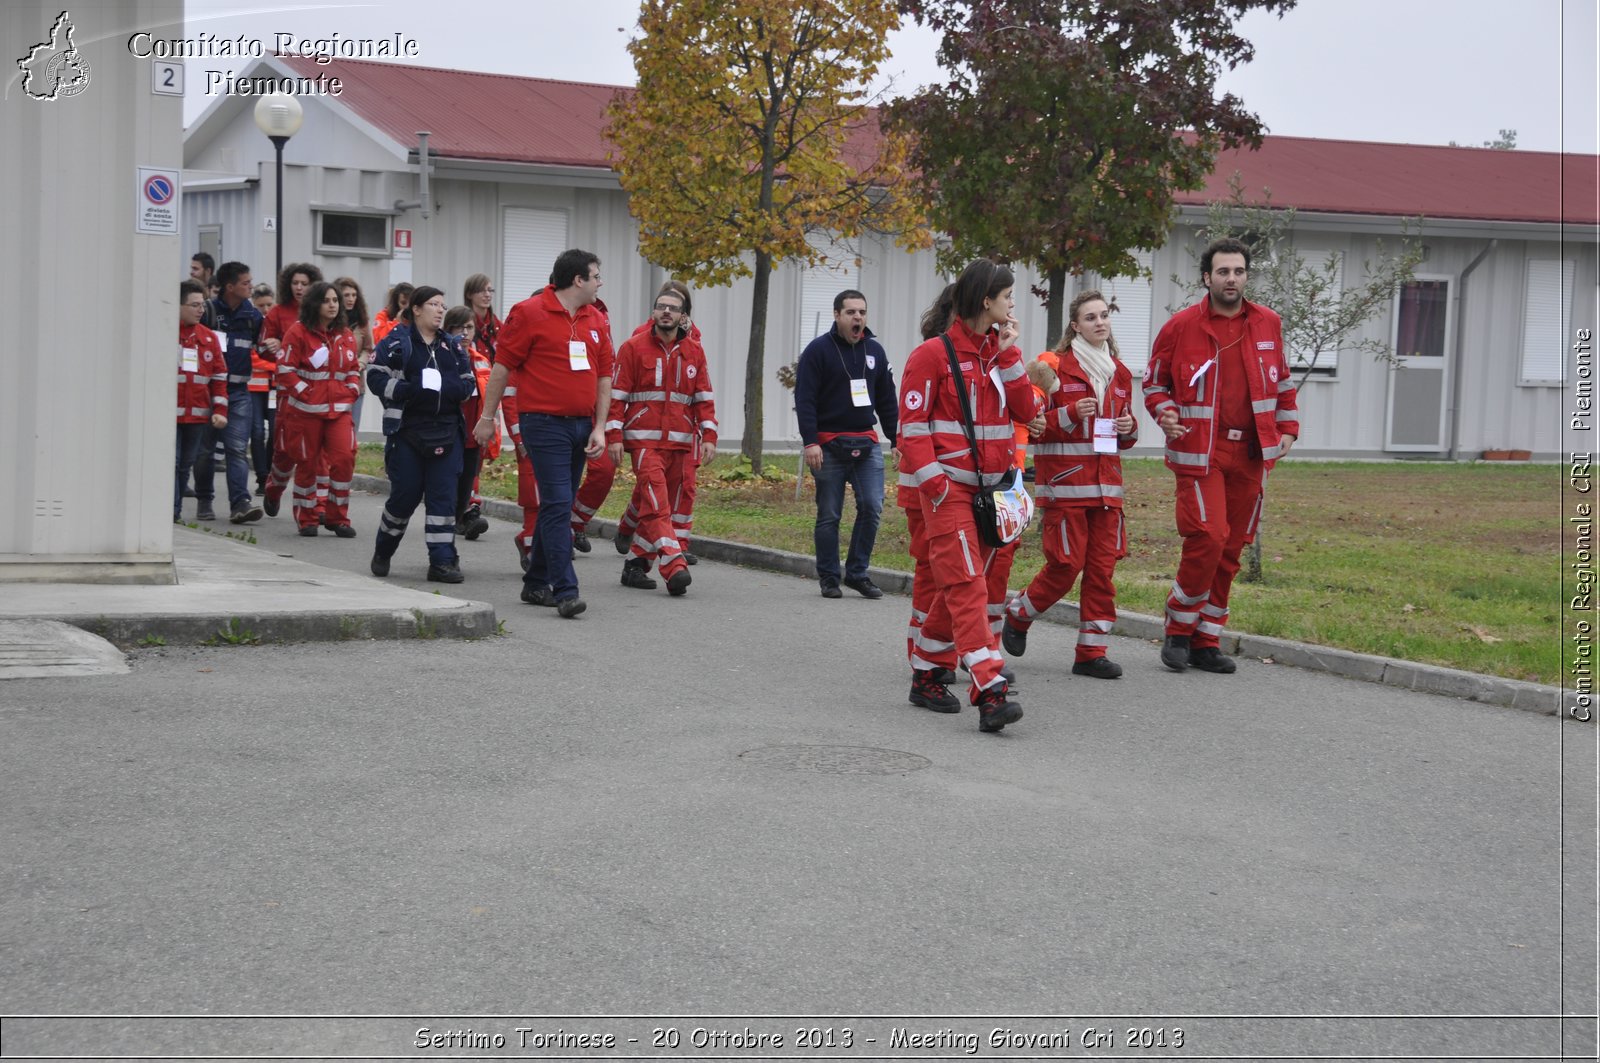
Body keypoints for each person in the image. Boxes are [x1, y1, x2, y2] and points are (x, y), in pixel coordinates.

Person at [1144, 237, 1301, 674]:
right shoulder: (1180, 327)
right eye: (1223, 272)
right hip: (1200, 451)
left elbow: (1283, 382)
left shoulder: (1268, 322)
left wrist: (1288, 428)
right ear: (1206, 278)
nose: (1231, 279)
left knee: (1232, 547)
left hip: (1251, 454)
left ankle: (1206, 639)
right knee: (1208, 537)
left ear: (1246, 276)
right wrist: (1166, 413)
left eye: (1238, 271)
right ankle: (1177, 628)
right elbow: (1154, 384)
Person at [897, 260, 1036, 733]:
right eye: (1008, 297)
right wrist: (936, 484)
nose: (1013, 304)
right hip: (948, 492)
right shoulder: (931, 356)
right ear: (986, 301)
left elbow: (1027, 409)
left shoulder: (1001, 355)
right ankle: (989, 689)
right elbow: (911, 430)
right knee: (968, 585)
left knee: (959, 584)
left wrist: (1013, 358)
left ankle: (928, 672)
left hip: (991, 494)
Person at [1002, 290, 1138, 679]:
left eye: (1103, 316)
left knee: (1102, 570)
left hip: (1107, 490)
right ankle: (1019, 613)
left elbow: (1121, 434)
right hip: (1065, 487)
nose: (1100, 322)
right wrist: (1068, 413)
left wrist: (1130, 428)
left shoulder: (1121, 373)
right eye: (1090, 317)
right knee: (1064, 566)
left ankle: (1091, 652)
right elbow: (1031, 427)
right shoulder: (1052, 367)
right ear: (1075, 326)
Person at [475, 250, 613, 619]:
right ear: (578, 280)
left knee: (560, 505)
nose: (601, 282)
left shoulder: (596, 319)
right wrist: (487, 417)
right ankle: (565, 589)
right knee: (555, 503)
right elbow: (502, 368)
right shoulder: (529, 312)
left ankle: (535, 582)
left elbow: (603, 376)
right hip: (543, 424)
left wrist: (600, 426)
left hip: (582, 425)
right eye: (596, 276)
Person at [604, 283, 716, 596]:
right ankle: (672, 563)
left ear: (683, 317)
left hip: (681, 442)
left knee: (670, 501)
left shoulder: (695, 351)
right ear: (653, 312)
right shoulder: (633, 347)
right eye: (661, 306)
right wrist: (614, 436)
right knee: (655, 502)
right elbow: (617, 398)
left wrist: (709, 435)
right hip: (643, 441)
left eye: (673, 308)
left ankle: (636, 564)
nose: (666, 311)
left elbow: (703, 398)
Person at [367, 286, 476, 582]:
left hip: (447, 432)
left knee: (443, 499)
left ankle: (441, 563)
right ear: (416, 309)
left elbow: (468, 384)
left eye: (443, 305)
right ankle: (384, 549)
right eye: (433, 304)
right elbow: (374, 376)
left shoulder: (453, 347)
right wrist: (409, 390)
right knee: (405, 497)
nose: (441, 310)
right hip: (407, 432)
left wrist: (444, 387)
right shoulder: (396, 343)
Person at [794, 289, 898, 599]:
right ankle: (829, 577)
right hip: (827, 446)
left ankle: (857, 573)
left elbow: (887, 401)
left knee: (872, 506)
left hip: (866, 442)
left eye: (862, 312)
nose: (858, 318)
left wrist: (896, 439)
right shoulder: (818, 351)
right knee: (830, 514)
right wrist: (810, 442)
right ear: (837, 315)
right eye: (851, 312)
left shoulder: (875, 352)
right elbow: (805, 399)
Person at [272, 281, 361, 538]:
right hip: (306, 412)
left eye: (335, 300)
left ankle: (337, 518)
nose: (333, 305)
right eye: (327, 300)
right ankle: (307, 518)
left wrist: (352, 389)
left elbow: (353, 368)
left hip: (339, 411)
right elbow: (285, 369)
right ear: (315, 304)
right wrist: (305, 393)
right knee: (308, 464)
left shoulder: (344, 334)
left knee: (344, 459)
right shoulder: (297, 332)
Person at [193, 261, 264, 524]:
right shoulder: (209, 311)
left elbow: (260, 348)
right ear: (230, 286)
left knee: (236, 448)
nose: (251, 287)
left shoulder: (253, 315)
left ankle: (240, 504)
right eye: (246, 283)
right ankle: (204, 499)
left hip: (239, 392)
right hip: (207, 391)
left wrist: (270, 345)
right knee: (204, 450)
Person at [260, 263, 324, 519]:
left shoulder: (322, 315)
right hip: (287, 394)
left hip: (316, 396)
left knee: (318, 451)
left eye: (304, 284)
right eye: (295, 283)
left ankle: (317, 507)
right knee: (286, 450)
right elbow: (261, 349)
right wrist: (271, 345)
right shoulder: (277, 313)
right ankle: (274, 488)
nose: (299, 288)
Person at [175, 281, 228, 522]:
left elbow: (218, 378)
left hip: (197, 416)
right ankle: (171, 513)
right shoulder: (166, 334)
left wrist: (219, 410)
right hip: (170, 415)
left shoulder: (208, 338)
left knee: (185, 464)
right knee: (172, 463)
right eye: (194, 305)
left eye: (202, 306)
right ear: (178, 306)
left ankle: (172, 511)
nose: (200, 310)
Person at [444, 305, 496, 539]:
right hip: (448, 433)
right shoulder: (442, 357)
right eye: (459, 327)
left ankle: (462, 517)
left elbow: (490, 397)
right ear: (448, 329)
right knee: (448, 479)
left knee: (468, 480)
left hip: (473, 435)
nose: (464, 333)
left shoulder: (482, 361)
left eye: (469, 327)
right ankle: (447, 524)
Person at [248, 283, 277, 494]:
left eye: (268, 304)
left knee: (276, 432)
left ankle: (270, 475)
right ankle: (261, 477)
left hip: (275, 387)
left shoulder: (278, 323)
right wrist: (275, 365)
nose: (265, 310)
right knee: (257, 432)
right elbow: (252, 358)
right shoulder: (251, 323)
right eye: (260, 306)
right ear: (253, 305)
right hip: (255, 387)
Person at [335, 277, 373, 436]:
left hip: (357, 381)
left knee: (352, 428)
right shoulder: (331, 321)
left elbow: (368, 348)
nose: (351, 299)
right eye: (346, 295)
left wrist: (361, 363)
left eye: (354, 295)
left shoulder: (362, 322)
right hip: (335, 381)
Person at [464, 273, 501, 363]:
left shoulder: (497, 324)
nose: (487, 294)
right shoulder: (462, 322)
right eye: (481, 290)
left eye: (490, 290)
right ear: (469, 295)